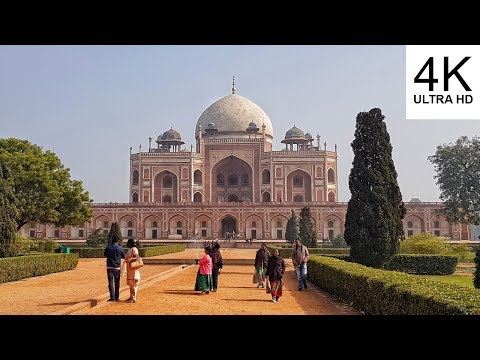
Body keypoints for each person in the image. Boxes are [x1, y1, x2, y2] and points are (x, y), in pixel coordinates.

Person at [103, 235, 125, 302]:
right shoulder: (120, 248)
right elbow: (123, 256)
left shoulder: (108, 248)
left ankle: (112, 297)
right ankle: (116, 297)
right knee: (117, 283)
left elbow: (105, 255)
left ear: (112, 240)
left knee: (110, 283)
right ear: (117, 241)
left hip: (110, 267)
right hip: (117, 268)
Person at [125, 238, 141, 303]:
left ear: (130, 243)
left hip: (134, 270)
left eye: (128, 243)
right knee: (131, 284)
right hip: (130, 269)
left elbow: (137, 257)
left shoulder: (134, 249)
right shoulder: (130, 250)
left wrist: (130, 259)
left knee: (134, 284)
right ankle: (131, 297)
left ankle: (133, 298)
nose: (127, 244)